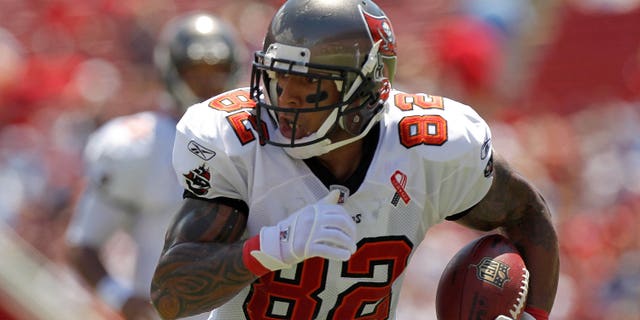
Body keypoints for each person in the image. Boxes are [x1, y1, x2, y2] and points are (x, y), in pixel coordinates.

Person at [150, 1, 559, 319]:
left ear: (367, 89)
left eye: (309, 83)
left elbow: (527, 212)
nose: (284, 99)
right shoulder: (238, 143)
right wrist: (274, 246)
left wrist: (535, 315)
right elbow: (170, 295)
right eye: (278, 77)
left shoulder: (429, 147)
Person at [64, 11, 244, 320]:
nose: (208, 82)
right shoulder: (137, 146)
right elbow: (82, 246)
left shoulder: (256, 143)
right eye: (196, 71)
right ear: (172, 73)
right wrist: (123, 300)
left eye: (217, 71)